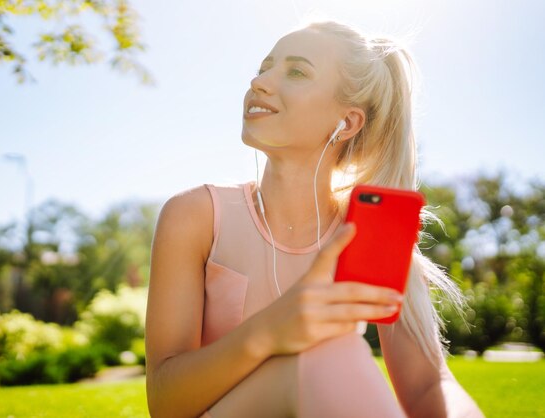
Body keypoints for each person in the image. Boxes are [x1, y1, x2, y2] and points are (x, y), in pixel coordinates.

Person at [145, 19, 485, 418]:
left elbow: (429, 386)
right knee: (329, 353)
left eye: (296, 71)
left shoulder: (371, 235)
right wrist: (271, 331)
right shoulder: (194, 216)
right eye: (263, 68)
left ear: (348, 122)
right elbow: (166, 405)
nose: (260, 82)